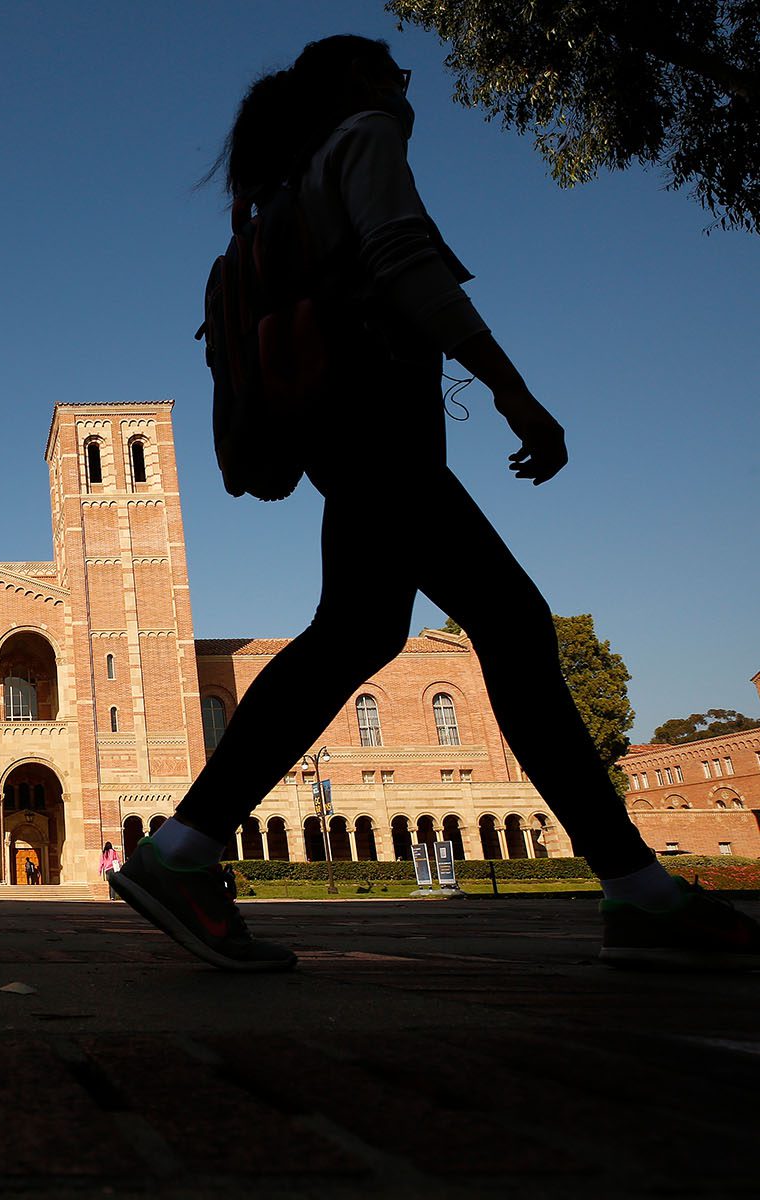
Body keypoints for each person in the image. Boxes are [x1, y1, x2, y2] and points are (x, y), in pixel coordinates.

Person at [111, 35, 760, 974]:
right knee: (507, 619)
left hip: (341, 437)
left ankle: (183, 850)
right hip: (382, 430)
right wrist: (510, 388)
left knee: (360, 632)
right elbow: (405, 260)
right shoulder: (361, 138)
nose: (401, 89)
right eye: (388, 71)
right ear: (354, 86)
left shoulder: (277, 199)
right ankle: (640, 891)